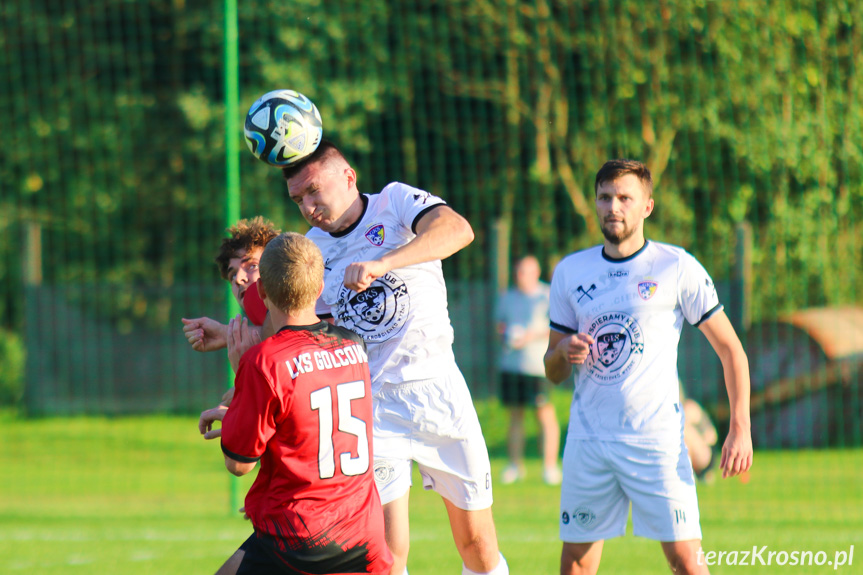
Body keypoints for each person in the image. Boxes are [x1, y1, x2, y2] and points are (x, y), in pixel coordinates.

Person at [185, 140, 508, 575]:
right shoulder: (310, 251)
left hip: (439, 391)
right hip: (371, 408)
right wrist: (231, 354)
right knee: (388, 557)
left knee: (478, 548)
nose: (309, 206)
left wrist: (382, 263)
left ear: (348, 176)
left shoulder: (394, 202)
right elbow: (292, 343)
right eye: (298, 199)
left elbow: (458, 230)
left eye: (315, 191)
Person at [544, 159, 753, 575]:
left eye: (625, 198)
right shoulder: (570, 272)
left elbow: (731, 349)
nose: (613, 207)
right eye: (605, 197)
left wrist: (740, 428)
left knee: (687, 562)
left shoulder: (675, 267)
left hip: (656, 442)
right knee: (577, 566)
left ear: (647, 207)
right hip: (590, 443)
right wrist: (563, 349)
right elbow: (552, 369)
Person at [198, 232, 393, 575]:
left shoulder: (264, 360)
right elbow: (304, 420)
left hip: (302, 538)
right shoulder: (353, 346)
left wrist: (240, 385)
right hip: (363, 533)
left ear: (262, 292)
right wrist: (241, 410)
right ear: (319, 289)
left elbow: (239, 464)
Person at [495, 254, 561, 485]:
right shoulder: (508, 297)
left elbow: (556, 328)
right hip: (512, 364)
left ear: (536, 273)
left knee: (544, 414)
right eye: (519, 271)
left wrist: (529, 336)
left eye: (526, 272)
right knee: (515, 415)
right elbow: (499, 324)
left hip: (537, 366)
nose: (521, 276)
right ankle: (515, 466)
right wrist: (507, 334)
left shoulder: (546, 296)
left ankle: (550, 467)